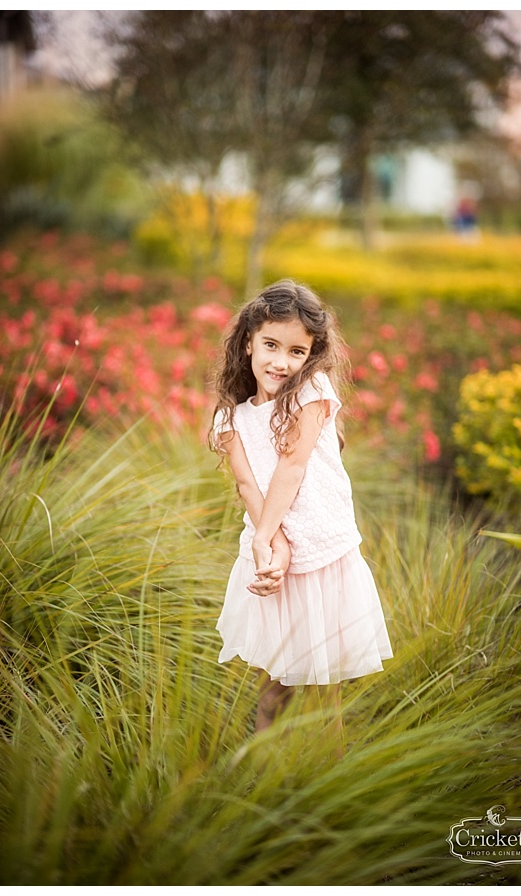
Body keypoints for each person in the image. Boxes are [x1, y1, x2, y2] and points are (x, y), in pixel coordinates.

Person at [208, 279, 392, 739]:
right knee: (274, 680)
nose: (281, 362)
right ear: (248, 340)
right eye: (271, 345)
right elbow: (248, 483)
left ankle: (328, 775)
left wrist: (275, 540)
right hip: (270, 554)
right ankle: (263, 764)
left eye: (296, 351)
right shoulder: (231, 418)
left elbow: (292, 466)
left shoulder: (312, 391)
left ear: (311, 355)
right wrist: (271, 545)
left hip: (323, 550)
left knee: (325, 684)